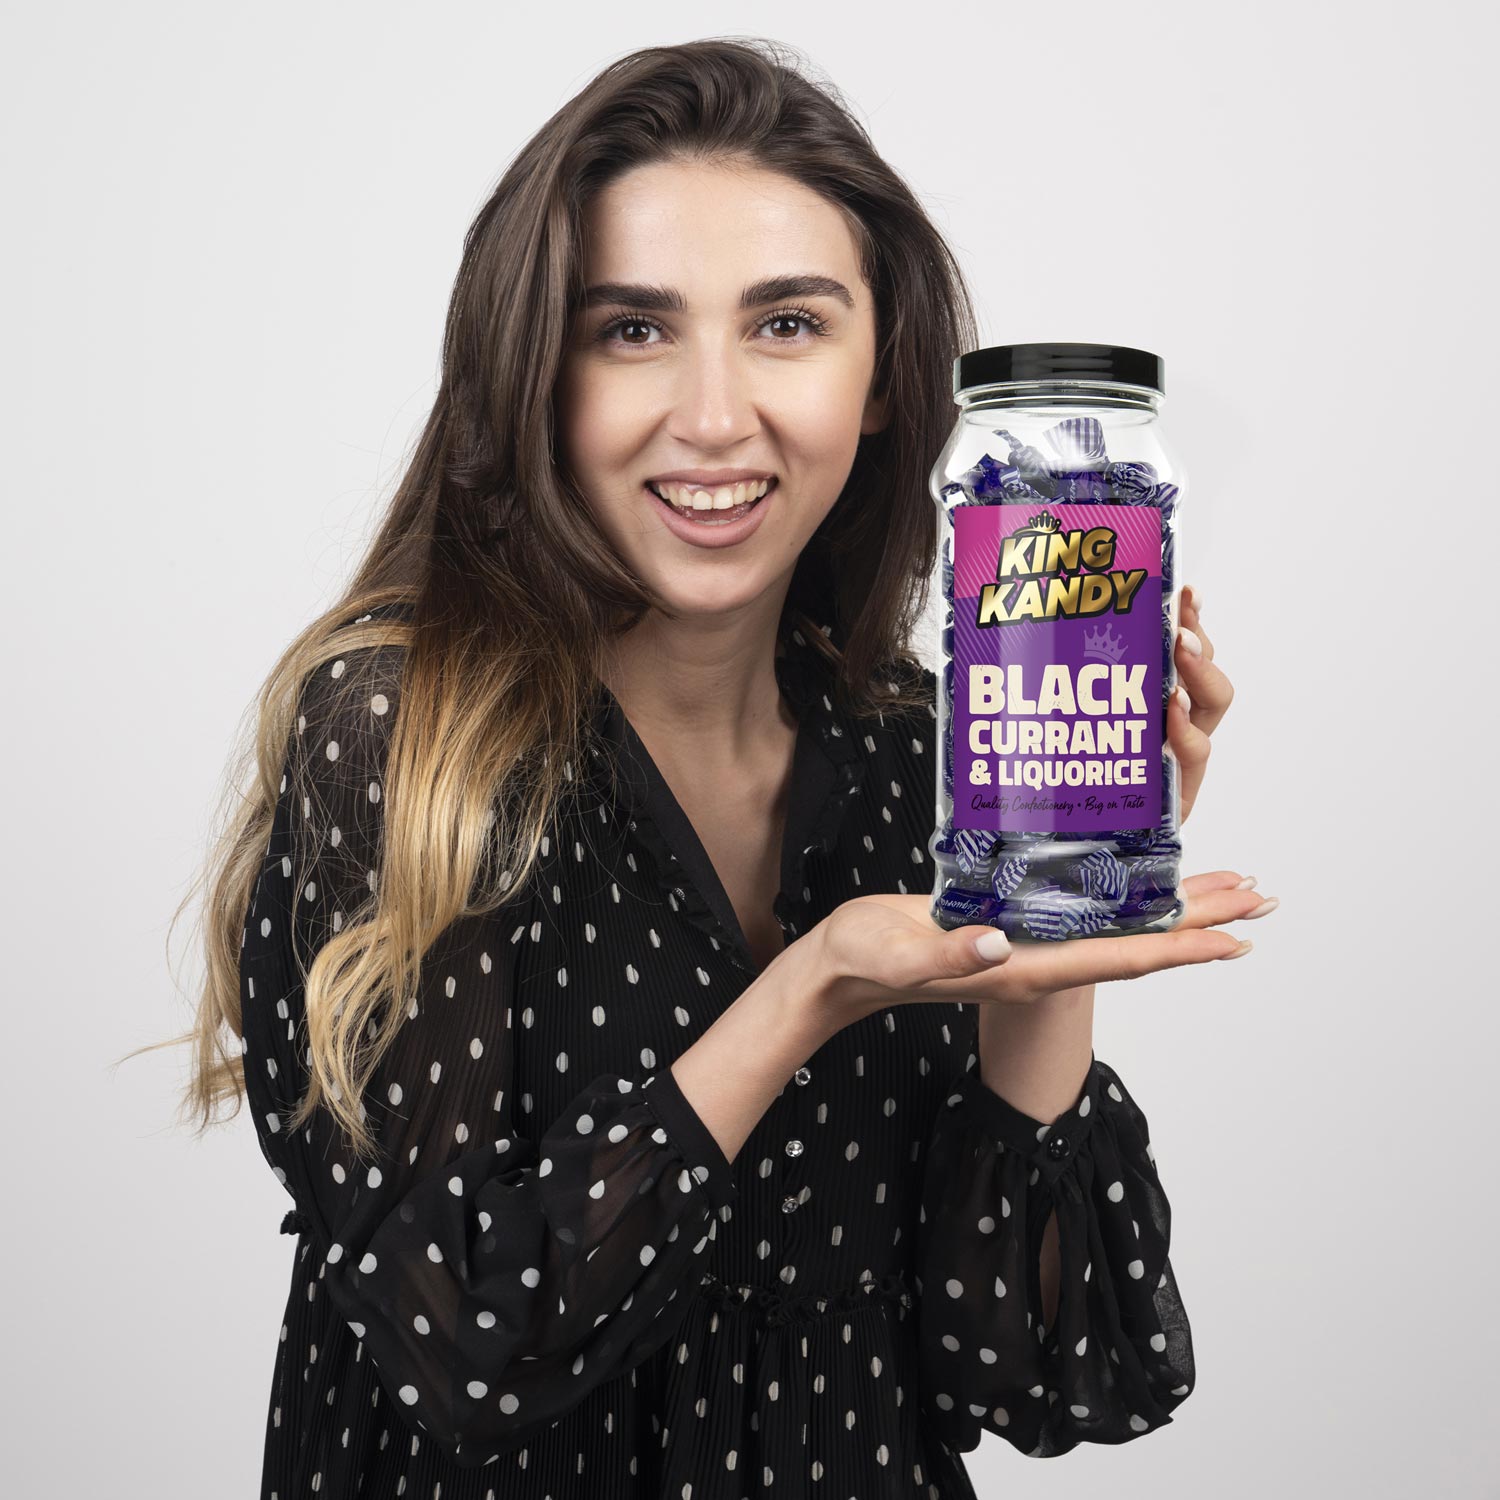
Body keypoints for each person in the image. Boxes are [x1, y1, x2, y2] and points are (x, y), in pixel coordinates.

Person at [171, 37, 1274, 1499]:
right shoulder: (398, 739)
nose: (711, 416)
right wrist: (811, 985)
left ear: (882, 377)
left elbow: (1029, 1368)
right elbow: (460, 1348)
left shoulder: (913, 754)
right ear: (535, 376)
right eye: (632, 330)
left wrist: (1056, 930)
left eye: (787, 326)